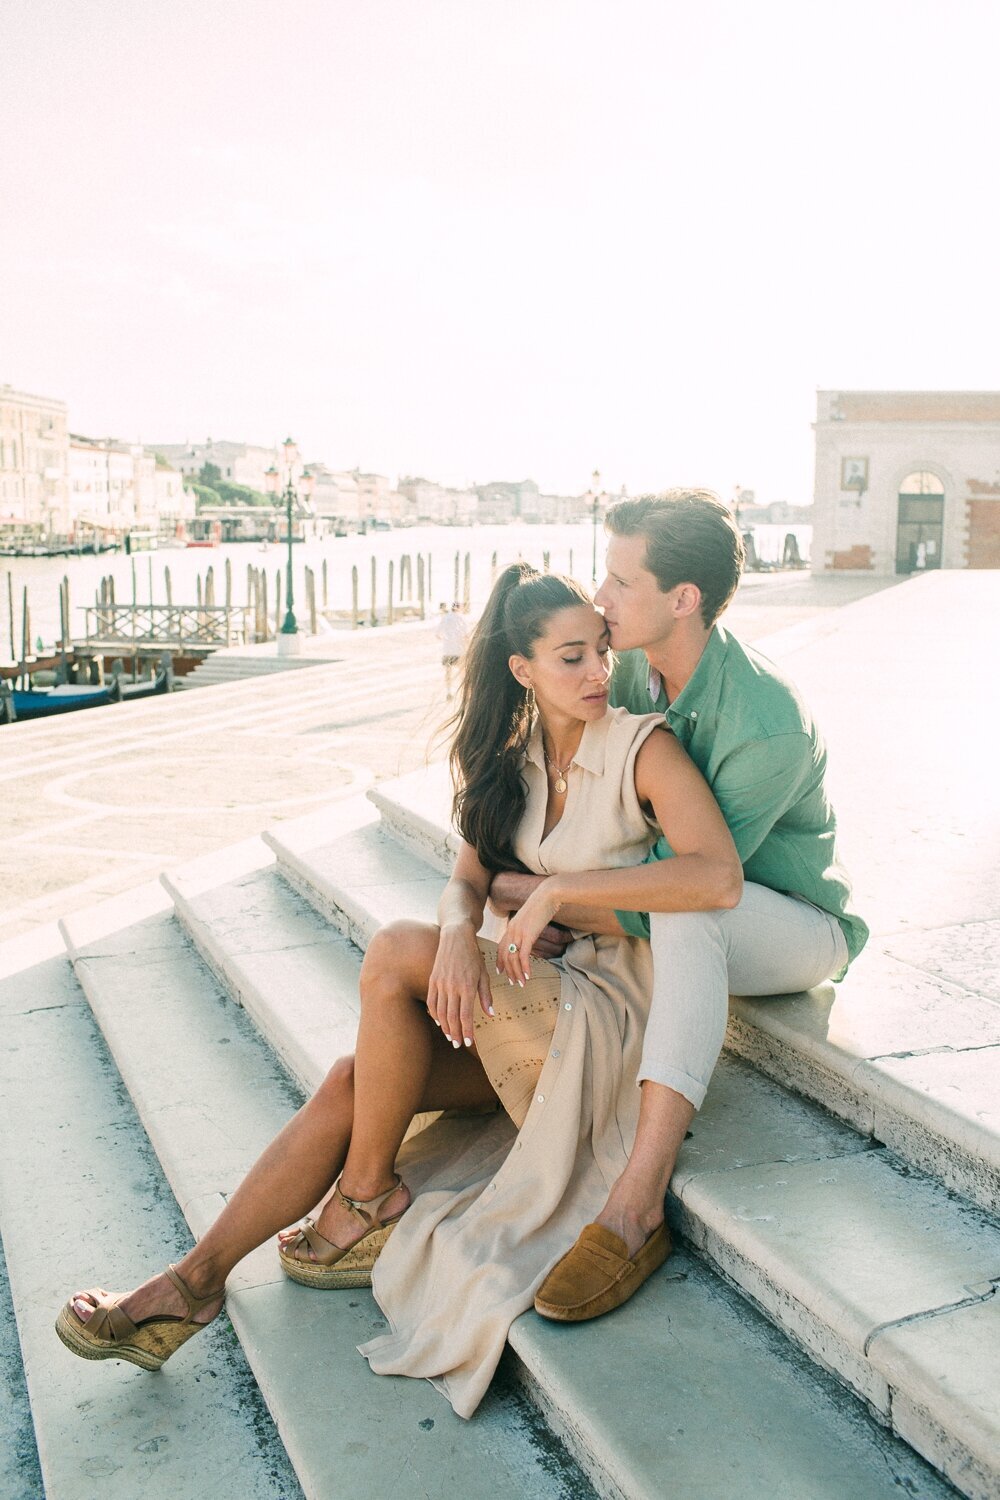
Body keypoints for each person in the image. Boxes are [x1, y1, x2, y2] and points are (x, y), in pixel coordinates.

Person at [55, 563, 740, 1418]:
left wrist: (563, 893)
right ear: (522, 670)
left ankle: (368, 1195)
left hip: (612, 1020)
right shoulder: (507, 766)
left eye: (601, 650)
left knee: (390, 953)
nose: (599, 671)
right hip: (537, 1015)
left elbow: (717, 876)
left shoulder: (646, 747)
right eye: (571, 658)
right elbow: (464, 884)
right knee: (352, 1080)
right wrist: (459, 929)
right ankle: (192, 1281)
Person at [489, 492, 868, 1325]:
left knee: (690, 908)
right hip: (673, 908)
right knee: (666, 907)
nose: (600, 598)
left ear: (682, 599)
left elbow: (704, 883)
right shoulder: (622, 667)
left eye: (621, 581)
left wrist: (549, 893)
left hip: (794, 927)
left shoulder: (766, 720)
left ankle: (637, 1204)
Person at [435, 599, 469, 699]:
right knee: (462, 673)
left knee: (448, 672)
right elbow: (466, 636)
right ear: (459, 608)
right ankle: (464, 693)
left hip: (447, 650)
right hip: (459, 650)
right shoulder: (461, 619)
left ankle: (449, 691)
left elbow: (437, 634)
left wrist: (447, 639)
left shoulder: (445, 618)